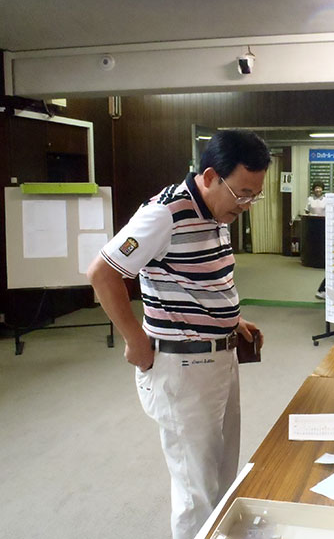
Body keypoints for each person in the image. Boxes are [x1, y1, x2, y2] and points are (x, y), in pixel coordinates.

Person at [87, 130, 271, 539]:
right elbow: (102, 273)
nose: (246, 204)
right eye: (242, 193)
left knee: (222, 471)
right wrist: (135, 339)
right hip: (183, 365)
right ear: (210, 175)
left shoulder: (216, 211)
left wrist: (231, 321)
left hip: (220, 357)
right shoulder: (164, 214)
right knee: (196, 489)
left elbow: (199, 279)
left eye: (254, 195)